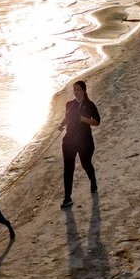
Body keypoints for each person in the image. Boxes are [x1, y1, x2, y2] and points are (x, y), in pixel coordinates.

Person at [57, 80, 100, 208]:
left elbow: (97, 122)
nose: (76, 92)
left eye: (78, 90)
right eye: (74, 90)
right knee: (68, 168)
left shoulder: (89, 105)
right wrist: (61, 125)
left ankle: (93, 181)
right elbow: (67, 118)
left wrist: (83, 119)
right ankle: (67, 197)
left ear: (84, 91)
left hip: (85, 140)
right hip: (69, 140)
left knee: (85, 163)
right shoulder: (69, 104)